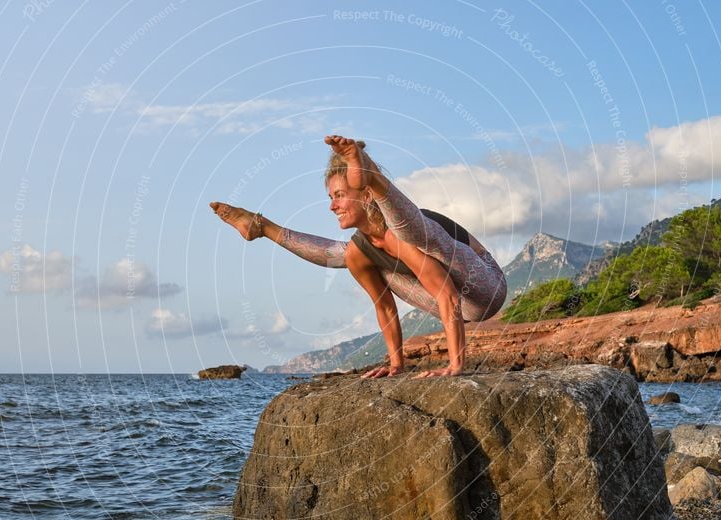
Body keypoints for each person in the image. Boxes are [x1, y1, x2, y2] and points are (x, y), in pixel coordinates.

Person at [210, 135, 507, 378]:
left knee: (409, 236)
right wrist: (395, 365)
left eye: (339, 195)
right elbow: (386, 310)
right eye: (330, 198)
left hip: (485, 284)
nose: (332, 207)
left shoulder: (404, 234)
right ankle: (262, 227)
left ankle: (372, 178)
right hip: (461, 305)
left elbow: (448, 295)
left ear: (364, 196)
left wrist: (456, 365)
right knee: (351, 253)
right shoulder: (361, 251)